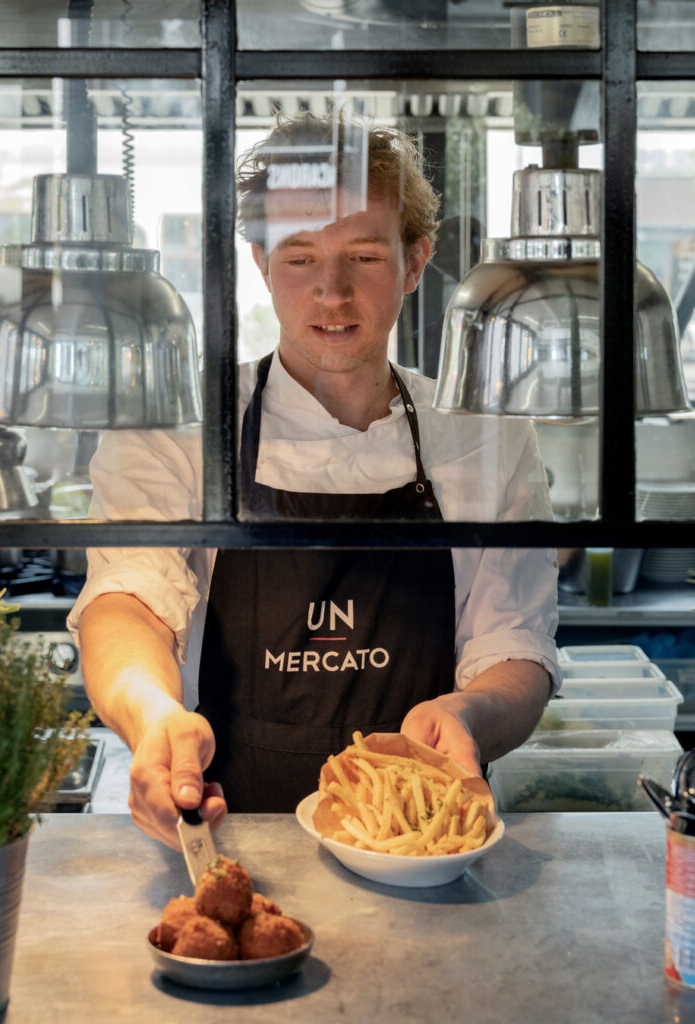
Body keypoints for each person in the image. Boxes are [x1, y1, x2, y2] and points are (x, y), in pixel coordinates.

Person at [68, 113, 560, 851]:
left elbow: (515, 646)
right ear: (262, 264)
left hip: (425, 848)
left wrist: (471, 715)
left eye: (363, 256)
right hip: (228, 841)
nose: (331, 293)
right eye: (300, 259)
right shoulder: (179, 429)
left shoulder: (485, 435)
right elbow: (127, 598)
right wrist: (151, 716)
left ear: (415, 262)